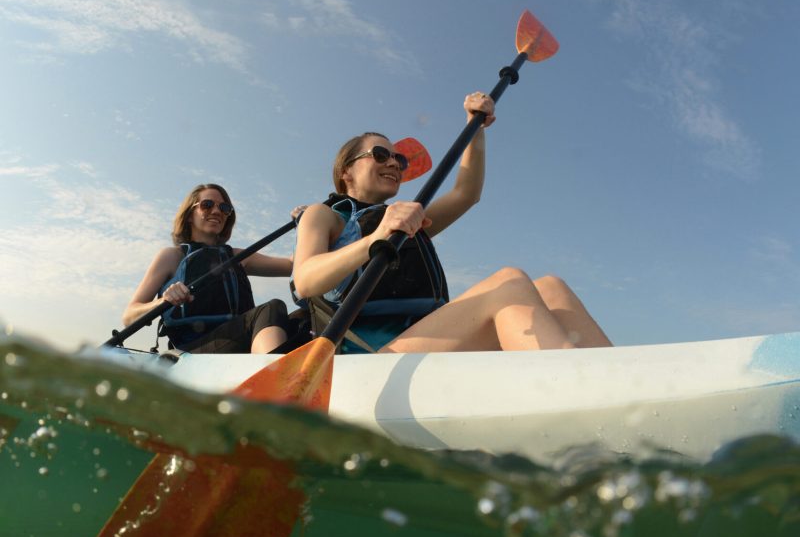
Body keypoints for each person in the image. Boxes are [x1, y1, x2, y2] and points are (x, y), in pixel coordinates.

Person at [291, 92, 612, 353]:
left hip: (422, 341)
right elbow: (305, 280)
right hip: (366, 358)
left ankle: (616, 388)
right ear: (346, 170)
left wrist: (476, 129)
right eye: (379, 154)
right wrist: (375, 240)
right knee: (509, 283)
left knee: (551, 287)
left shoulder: (406, 221)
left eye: (399, 160)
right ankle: (576, 391)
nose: (393, 162)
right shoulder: (324, 215)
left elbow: (465, 194)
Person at [123, 183, 295, 353]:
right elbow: (130, 316)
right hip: (194, 351)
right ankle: (270, 376)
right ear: (190, 214)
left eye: (224, 207)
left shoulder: (238, 257)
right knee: (272, 309)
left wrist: (306, 223)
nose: (216, 211)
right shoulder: (172, 256)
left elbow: (293, 265)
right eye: (207, 205)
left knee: (302, 321)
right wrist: (164, 301)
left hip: (241, 338)